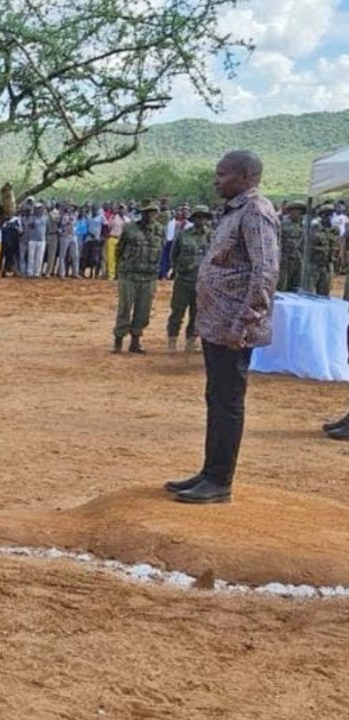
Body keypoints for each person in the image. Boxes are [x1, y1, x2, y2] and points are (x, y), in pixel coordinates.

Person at [165, 151, 278, 504]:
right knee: (216, 398)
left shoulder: (256, 212)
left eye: (222, 174)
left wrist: (245, 323)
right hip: (217, 324)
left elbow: (265, 271)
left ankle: (220, 481)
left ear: (245, 177)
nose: (216, 180)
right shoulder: (234, 211)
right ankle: (209, 471)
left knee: (228, 402)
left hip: (234, 328)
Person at [112, 202, 161, 354]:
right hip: (129, 275)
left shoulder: (160, 230)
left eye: (153, 212)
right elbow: (119, 249)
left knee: (143, 310)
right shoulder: (129, 228)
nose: (150, 215)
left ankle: (135, 342)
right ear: (142, 213)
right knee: (124, 308)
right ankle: (118, 341)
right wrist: (121, 269)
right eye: (147, 212)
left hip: (149, 276)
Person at [166, 206, 211, 352]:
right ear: (194, 218)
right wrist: (179, 269)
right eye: (198, 217)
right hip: (184, 280)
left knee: (197, 313)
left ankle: (191, 341)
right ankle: (172, 340)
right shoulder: (183, 235)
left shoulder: (212, 236)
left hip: (203, 282)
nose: (201, 220)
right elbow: (173, 255)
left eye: (204, 217)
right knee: (177, 312)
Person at [277, 201, 306, 292]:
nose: (297, 214)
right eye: (294, 211)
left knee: (296, 285)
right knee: (282, 285)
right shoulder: (282, 224)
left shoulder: (303, 225)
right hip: (284, 259)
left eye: (300, 212)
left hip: (297, 259)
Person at [309, 204, 337, 296]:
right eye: (326, 214)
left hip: (327, 266)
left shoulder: (334, 230)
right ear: (321, 216)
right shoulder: (314, 228)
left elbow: (336, 246)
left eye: (331, 214)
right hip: (314, 265)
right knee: (309, 293)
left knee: (324, 293)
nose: (329, 217)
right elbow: (307, 246)